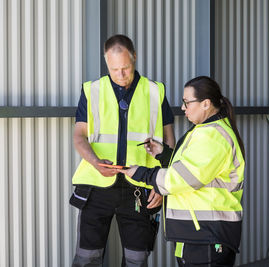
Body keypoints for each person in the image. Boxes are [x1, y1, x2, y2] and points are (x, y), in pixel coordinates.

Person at [69, 34, 175, 267]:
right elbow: (79, 136)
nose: (120, 75)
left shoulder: (155, 92)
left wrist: (162, 184)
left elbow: (169, 141)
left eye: (125, 68)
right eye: (114, 69)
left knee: (137, 260)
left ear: (134, 58)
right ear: (106, 62)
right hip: (97, 186)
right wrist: (96, 162)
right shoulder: (92, 91)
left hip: (141, 187)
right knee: (87, 259)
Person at [119, 76, 246, 267]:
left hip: (206, 236)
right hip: (199, 234)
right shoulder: (205, 130)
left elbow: (181, 178)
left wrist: (142, 173)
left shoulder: (212, 136)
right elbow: (192, 167)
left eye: (187, 102)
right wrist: (164, 154)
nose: (183, 108)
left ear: (205, 104)